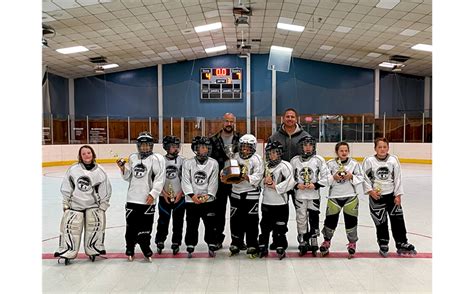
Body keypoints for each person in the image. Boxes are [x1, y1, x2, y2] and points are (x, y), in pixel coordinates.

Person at [54, 145, 112, 265]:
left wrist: (103, 205)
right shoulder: (74, 169)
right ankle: (68, 250)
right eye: (84, 153)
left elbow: (105, 189)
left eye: (89, 153)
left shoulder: (100, 171)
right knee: (71, 227)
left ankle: (94, 248)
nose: (86, 155)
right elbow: (67, 187)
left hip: (93, 205)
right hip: (76, 205)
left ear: (93, 154)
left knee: (95, 225)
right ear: (80, 156)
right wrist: (65, 202)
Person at [362, 137, 417, 257]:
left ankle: (401, 242)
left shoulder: (393, 159)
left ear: (388, 147)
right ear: (375, 148)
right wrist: (371, 192)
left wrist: (398, 194)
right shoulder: (369, 160)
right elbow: (364, 178)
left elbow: (397, 178)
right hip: (377, 197)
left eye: (384, 147)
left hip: (392, 196)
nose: (382, 149)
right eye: (379, 147)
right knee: (380, 221)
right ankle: (383, 242)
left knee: (398, 220)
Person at [117, 131, 166, 262]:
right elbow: (129, 177)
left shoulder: (157, 159)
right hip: (132, 199)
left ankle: (145, 246)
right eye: (142, 145)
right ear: (138, 145)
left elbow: (160, 179)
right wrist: (123, 169)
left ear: (151, 145)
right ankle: (130, 247)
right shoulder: (132, 157)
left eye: (147, 145)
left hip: (147, 200)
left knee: (146, 226)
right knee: (131, 226)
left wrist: (153, 194)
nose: (145, 147)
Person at [320, 142, 364, 258]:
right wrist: (333, 177)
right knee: (330, 221)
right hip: (334, 197)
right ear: (337, 152)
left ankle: (352, 243)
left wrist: (351, 177)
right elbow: (323, 180)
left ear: (348, 151)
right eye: (341, 151)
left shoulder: (354, 164)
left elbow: (361, 178)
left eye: (346, 151)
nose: (344, 153)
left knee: (351, 221)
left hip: (350, 197)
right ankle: (326, 241)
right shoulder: (330, 164)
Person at [224, 134, 263, 258]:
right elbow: (226, 170)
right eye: (243, 146)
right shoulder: (234, 156)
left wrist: (245, 177)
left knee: (251, 220)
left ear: (253, 147)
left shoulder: (257, 159)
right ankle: (236, 241)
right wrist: (225, 175)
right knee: (236, 219)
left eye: (248, 147)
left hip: (251, 194)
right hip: (236, 193)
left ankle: (252, 243)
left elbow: (258, 176)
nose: (245, 149)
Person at [290, 135, 329, 257]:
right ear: (300, 147)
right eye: (305, 145)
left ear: (314, 146)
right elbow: (289, 178)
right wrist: (296, 185)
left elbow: (327, 176)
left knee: (314, 216)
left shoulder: (318, 160)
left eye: (310, 145)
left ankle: (313, 238)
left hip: (314, 195)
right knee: (301, 217)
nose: (307, 147)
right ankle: (303, 239)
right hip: (300, 195)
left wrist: (316, 184)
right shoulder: (295, 160)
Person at [182, 136, 220, 258]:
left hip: (208, 201)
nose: (204, 149)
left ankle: (211, 243)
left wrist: (208, 196)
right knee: (192, 224)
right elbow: (185, 181)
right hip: (191, 201)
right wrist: (192, 196)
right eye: (201, 147)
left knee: (210, 224)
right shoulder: (188, 163)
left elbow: (214, 182)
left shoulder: (213, 163)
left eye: (206, 147)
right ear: (195, 149)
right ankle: (190, 243)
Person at [258, 141, 295, 260]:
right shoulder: (265, 166)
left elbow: (291, 182)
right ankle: (263, 244)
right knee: (265, 225)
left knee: (280, 226)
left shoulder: (285, 166)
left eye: (275, 152)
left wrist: (276, 187)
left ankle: (280, 244)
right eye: (270, 152)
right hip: (267, 202)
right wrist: (263, 182)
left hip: (281, 203)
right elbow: (258, 181)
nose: (272, 155)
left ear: (280, 153)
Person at [209, 112, 241, 249]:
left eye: (231, 121)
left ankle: (238, 240)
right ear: (222, 122)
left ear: (234, 122)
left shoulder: (241, 139)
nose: (229, 124)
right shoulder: (213, 139)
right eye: (226, 121)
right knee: (219, 212)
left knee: (237, 212)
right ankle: (217, 239)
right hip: (220, 183)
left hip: (236, 182)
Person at [154, 136, 186, 255]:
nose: (176, 149)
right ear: (166, 147)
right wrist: (163, 192)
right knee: (163, 220)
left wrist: (181, 193)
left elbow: (185, 179)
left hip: (180, 197)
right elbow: (157, 179)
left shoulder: (183, 161)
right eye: (173, 146)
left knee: (178, 221)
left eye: (177, 146)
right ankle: (160, 240)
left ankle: (176, 242)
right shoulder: (160, 160)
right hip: (164, 197)